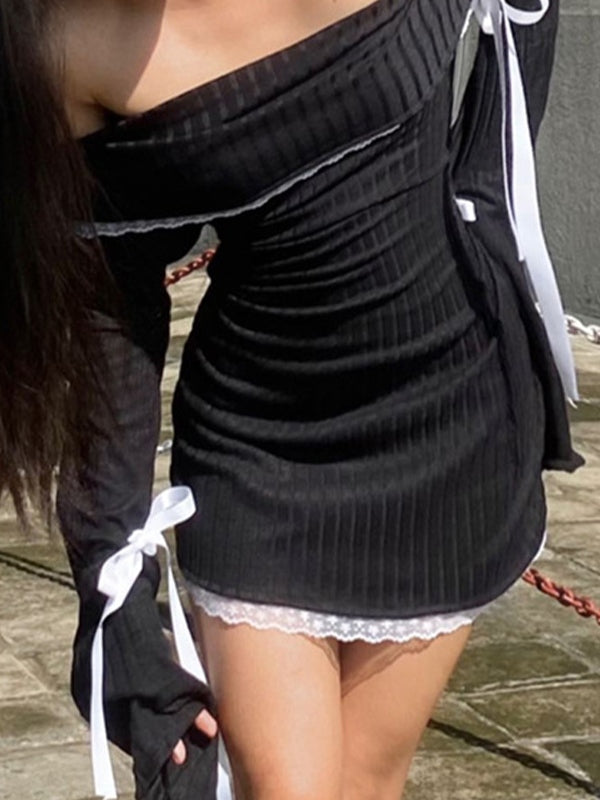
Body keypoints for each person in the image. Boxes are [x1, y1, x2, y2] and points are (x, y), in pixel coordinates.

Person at [0, 1, 583, 799]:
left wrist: (486, 197)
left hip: (455, 422)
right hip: (260, 454)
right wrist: (114, 586)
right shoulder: (63, 44)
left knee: (367, 782)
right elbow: (107, 304)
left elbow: (522, 22)